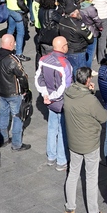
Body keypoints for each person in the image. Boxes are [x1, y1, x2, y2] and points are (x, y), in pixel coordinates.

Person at [63, 65, 107, 213]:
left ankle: (70, 210)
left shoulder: (68, 93)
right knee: (91, 177)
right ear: (87, 80)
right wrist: (91, 94)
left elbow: (80, 105)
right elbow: (103, 116)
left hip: (73, 141)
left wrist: (88, 91)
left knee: (73, 173)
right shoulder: (90, 100)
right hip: (90, 143)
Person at [36, 36, 74, 171]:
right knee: (63, 130)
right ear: (63, 47)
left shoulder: (43, 60)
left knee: (52, 128)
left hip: (49, 101)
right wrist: (52, 97)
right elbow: (65, 87)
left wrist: (45, 95)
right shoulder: (65, 64)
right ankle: (61, 160)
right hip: (61, 102)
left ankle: (51, 157)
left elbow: (38, 79)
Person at [0, 33, 32, 151]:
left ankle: (3, 138)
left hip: (1, 91)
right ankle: (16, 144)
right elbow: (23, 76)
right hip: (14, 93)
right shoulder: (12, 59)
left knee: (3, 115)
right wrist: (25, 90)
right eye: (14, 42)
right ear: (10, 44)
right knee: (17, 117)